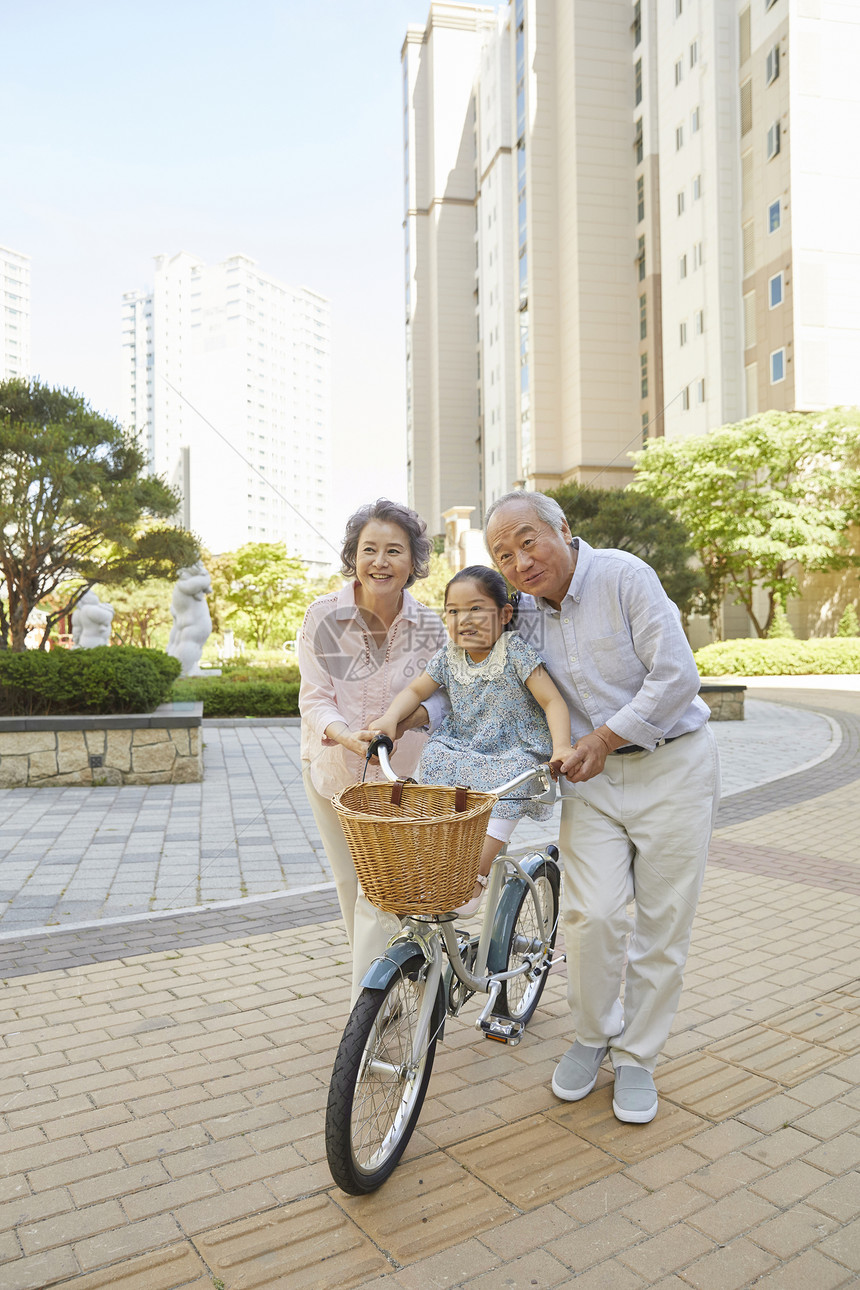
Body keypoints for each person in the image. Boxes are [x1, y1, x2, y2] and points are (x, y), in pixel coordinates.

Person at [482, 489, 721, 1124]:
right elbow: (485, 675)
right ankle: (592, 1036)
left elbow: (676, 676)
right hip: (592, 781)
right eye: (503, 555)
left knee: (663, 924)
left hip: (673, 765)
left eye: (527, 541)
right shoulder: (523, 614)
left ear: (563, 528)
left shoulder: (622, 575)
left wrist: (605, 737)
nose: (519, 562)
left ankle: (637, 1056)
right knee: (591, 916)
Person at [297, 499, 446, 1001]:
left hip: (397, 779)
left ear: (413, 561)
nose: (380, 562)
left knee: (380, 891)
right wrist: (344, 734)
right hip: (334, 772)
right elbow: (314, 698)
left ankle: (371, 1002)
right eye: (369, 550)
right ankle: (377, 996)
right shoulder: (323, 615)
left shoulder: (429, 626)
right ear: (353, 557)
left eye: (393, 551)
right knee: (351, 886)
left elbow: (443, 696)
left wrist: (407, 721)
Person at [366, 566, 577, 916]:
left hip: (513, 748)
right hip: (466, 744)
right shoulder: (450, 655)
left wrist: (562, 747)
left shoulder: (514, 650)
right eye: (453, 611)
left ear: (504, 614)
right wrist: (390, 718)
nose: (464, 618)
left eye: (476, 608)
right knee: (433, 755)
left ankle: (474, 874)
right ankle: (438, 860)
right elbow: (417, 689)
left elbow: (552, 701)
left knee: (515, 777)